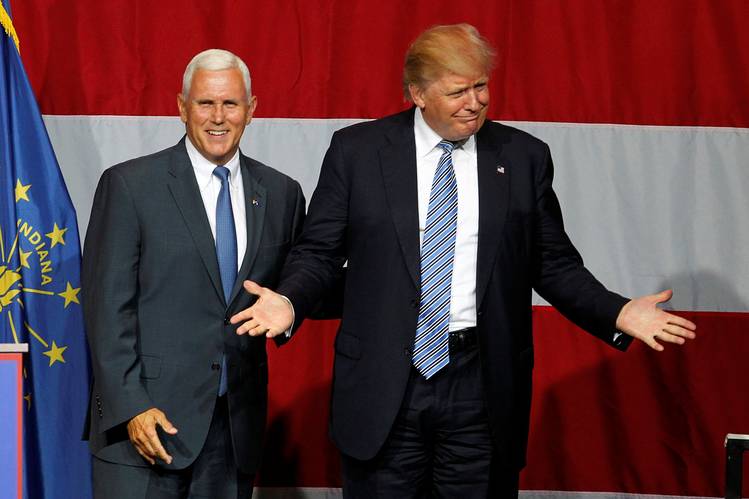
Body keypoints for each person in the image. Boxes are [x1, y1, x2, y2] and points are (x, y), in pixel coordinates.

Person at [230, 24, 697, 498]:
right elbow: (319, 252)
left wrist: (617, 311)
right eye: (457, 91)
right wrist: (290, 301)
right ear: (417, 93)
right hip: (385, 381)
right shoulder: (359, 152)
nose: (474, 102)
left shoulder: (522, 157)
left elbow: (553, 264)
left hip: (481, 385)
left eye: (480, 86)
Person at [82, 49, 305, 498]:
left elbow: (301, 283)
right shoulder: (129, 185)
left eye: (231, 104)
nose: (218, 117)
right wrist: (132, 408)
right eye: (205, 103)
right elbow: (106, 309)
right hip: (142, 428)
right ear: (182, 107)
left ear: (252, 109)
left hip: (232, 431)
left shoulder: (281, 192)